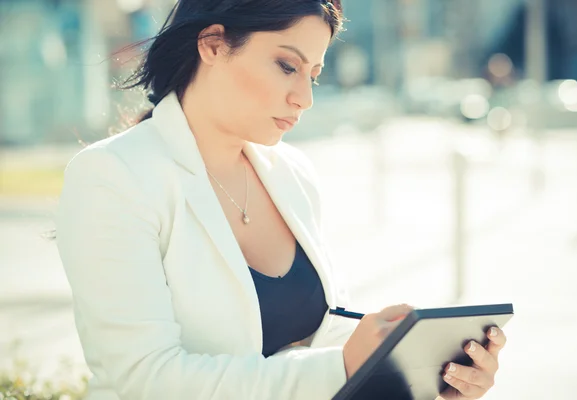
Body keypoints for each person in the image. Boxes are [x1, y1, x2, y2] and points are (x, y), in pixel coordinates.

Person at [55, 1, 507, 399]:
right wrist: (342, 366)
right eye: (287, 66)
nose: (304, 98)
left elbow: (317, 334)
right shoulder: (113, 175)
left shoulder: (290, 173)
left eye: (314, 74)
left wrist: (417, 368)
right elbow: (147, 379)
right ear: (212, 44)